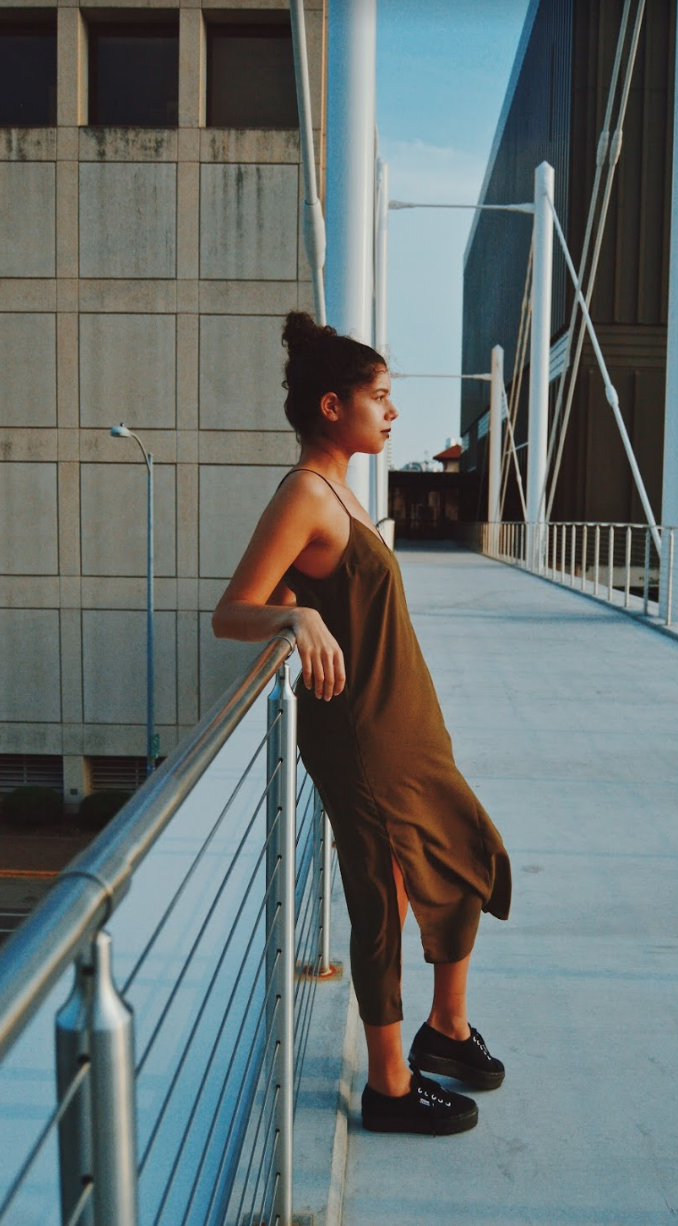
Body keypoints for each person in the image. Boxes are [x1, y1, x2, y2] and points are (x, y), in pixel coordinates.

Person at [212, 311, 512, 1136]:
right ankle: (388, 1086)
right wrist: (293, 622)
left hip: (408, 722)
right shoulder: (306, 494)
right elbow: (231, 611)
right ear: (333, 405)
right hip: (360, 737)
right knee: (381, 898)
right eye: (381, 397)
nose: (393, 412)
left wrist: (304, 609)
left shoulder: (346, 486)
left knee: (467, 853)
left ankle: (445, 1033)